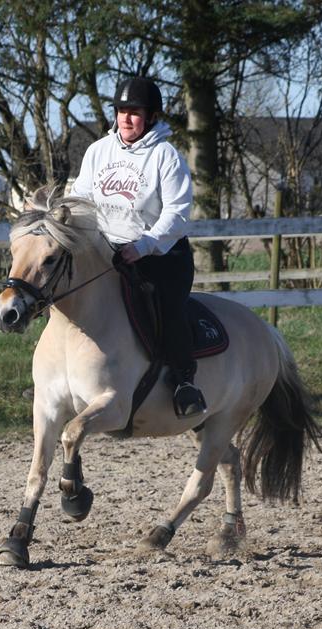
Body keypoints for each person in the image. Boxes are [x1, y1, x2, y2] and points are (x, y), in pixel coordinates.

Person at [69, 75, 207, 418]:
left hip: (160, 256)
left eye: (134, 112)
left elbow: (178, 212)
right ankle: (60, 373)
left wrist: (144, 245)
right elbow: (82, 198)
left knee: (166, 307)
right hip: (107, 253)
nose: (126, 119)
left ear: (152, 117)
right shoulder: (98, 151)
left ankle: (183, 381)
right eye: (121, 111)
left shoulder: (166, 156)